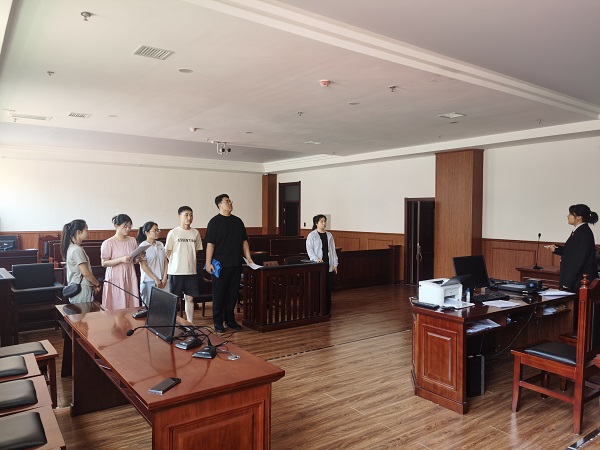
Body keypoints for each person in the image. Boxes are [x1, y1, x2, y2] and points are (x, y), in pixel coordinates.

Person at [205, 194, 254, 333]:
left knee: (232, 294)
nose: (230, 203)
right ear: (219, 205)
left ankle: (230, 320)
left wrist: (249, 258)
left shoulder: (238, 221)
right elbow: (210, 244)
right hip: (219, 266)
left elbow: (244, 241)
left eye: (230, 201)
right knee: (219, 294)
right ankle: (218, 322)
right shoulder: (214, 222)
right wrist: (208, 262)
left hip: (236, 264)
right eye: (227, 202)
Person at [545, 204, 598, 292]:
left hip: (579, 282)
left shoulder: (584, 233)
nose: (567, 216)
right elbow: (572, 252)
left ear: (579, 217)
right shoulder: (579, 231)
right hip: (576, 281)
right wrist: (556, 249)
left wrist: (568, 282)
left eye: (570, 214)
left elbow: (578, 260)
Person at [165, 206, 202, 323]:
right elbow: (168, 251)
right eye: (186, 215)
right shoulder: (173, 233)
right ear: (179, 216)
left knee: (189, 298)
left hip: (191, 271)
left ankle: (190, 324)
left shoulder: (195, 233)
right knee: (174, 299)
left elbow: (196, 250)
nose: (189, 217)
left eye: (191, 215)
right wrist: (176, 262)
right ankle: (171, 324)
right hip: (175, 272)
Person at [101, 214, 140, 310]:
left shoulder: (132, 240)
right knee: (116, 304)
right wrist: (120, 260)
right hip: (116, 277)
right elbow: (104, 263)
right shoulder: (108, 243)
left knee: (130, 303)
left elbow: (134, 260)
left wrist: (138, 259)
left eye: (129, 227)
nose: (128, 229)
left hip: (129, 275)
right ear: (116, 226)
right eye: (125, 226)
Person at [61, 219, 102, 303]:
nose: (88, 232)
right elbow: (85, 272)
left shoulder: (72, 247)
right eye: (86, 230)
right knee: (84, 311)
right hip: (82, 289)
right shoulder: (76, 250)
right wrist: (97, 284)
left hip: (78, 287)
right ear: (78, 232)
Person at [306, 214, 339, 315]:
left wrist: (335, 264)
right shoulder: (312, 235)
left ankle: (327, 310)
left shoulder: (329, 235)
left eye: (325, 221)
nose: (324, 223)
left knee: (327, 288)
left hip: (327, 264)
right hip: (317, 265)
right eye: (322, 221)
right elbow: (310, 250)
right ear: (316, 223)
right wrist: (316, 259)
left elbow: (333, 250)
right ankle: (317, 309)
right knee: (318, 288)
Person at [136, 221, 168, 307]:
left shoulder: (160, 244)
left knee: (163, 307)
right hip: (149, 281)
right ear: (147, 233)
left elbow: (165, 261)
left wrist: (165, 277)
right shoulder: (142, 246)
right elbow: (144, 266)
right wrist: (155, 279)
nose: (157, 232)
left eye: (158, 230)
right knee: (149, 307)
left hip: (162, 280)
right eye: (155, 230)